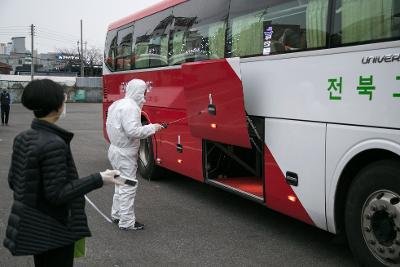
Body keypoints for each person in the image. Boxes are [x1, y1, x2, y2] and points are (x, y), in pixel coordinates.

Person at [3, 79, 122, 267]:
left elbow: (14, 181)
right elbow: (57, 194)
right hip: (54, 227)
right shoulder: (54, 143)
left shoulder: (22, 137)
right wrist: (99, 178)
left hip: (34, 225)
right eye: (63, 100)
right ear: (56, 106)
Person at [106, 79, 163, 230]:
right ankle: (127, 222)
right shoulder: (131, 107)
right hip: (124, 153)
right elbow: (133, 131)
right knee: (128, 186)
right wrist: (153, 128)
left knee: (120, 184)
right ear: (139, 91)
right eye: (144, 91)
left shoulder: (117, 104)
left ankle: (117, 215)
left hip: (115, 150)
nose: (144, 95)